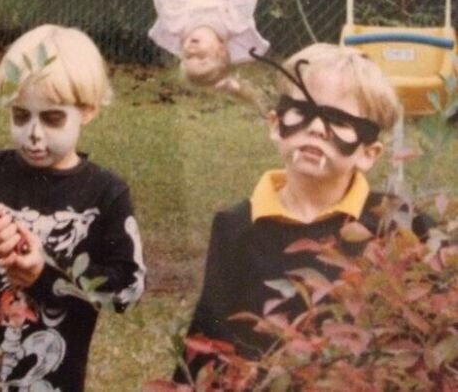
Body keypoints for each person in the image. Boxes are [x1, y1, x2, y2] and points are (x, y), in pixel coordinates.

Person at [176, 43, 432, 382]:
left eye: (338, 119)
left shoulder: (402, 226)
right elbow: (208, 339)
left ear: (368, 153)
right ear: (275, 124)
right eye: (302, 110)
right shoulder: (236, 227)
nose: (316, 128)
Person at [0, 24, 146, 391]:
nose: (33, 133)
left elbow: (128, 288)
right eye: (20, 116)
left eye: (52, 118)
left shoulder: (105, 193)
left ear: (86, 111)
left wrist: (48, 275)